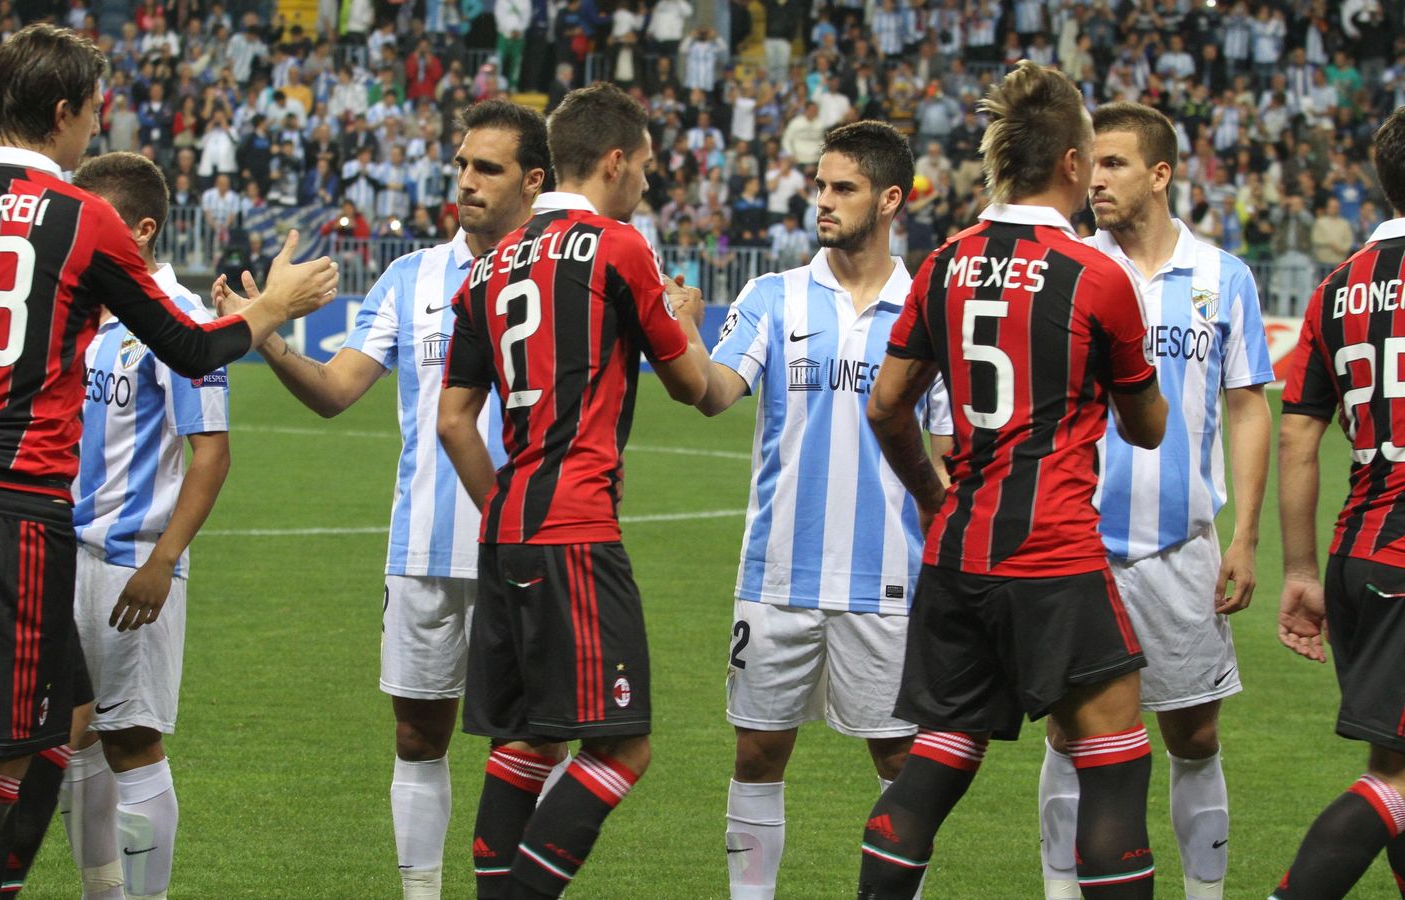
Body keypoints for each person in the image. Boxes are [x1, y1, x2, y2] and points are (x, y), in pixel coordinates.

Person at [0, 25, 338, 898]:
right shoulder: (82, 218)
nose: (93, 130)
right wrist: (272, 310)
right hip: (20, 508)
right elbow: (189, 345)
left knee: (60, 721)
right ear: (66, 112)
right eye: (93, 113)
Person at [213, 99, 552, 900]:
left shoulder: (559, 273)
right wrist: (265, 333)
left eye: (488, 169)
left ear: (534, 181)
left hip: (531, 544)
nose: (465, 182)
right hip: (426, 547)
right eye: (462, 164)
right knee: (416, 733)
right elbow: (336, 392)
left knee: (532, 740)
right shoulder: (410, 277)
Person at [861, 61, 1170, 900]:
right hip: (1054, 556)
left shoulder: (944, 263)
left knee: (935, 762)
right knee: (1114, 767)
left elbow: (887, 407)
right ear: (1072, 163)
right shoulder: (1094, 274)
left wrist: (933, 494)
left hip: (959, 552)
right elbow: (1149, 428)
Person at [437, 82, 712, 899]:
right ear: (617, 161)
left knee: (525, 742)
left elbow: (455, 420)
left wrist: (503, 508)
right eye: (648, 169)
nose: (647, 185)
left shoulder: (484, 270)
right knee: (623, 748)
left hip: (507, 528)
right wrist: (685, 320)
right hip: (576, 527)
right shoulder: (618, 247)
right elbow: (694, 386)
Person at [696, 120, 953, 900]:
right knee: (756, 754)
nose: (824, 202)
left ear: (891, 198)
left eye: (843, 188)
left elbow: (948, 452)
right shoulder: (772, 296)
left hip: (891, 580)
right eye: (820, 186)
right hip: (778, 574)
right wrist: (679, 334)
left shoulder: (929, 304)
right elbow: (713, 393)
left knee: (902, 762)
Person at [1036, 102, 1274, 900]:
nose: (1093, 178)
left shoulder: (1223, 277)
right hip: (1075, 545)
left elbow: (1247, 405)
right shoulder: (1066, 266)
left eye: (1114, 164)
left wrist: (1243, 537)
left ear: (1161, 174)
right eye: (1090, 163)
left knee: (1196, 734)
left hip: (1181, 546)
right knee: (1071, 735)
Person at [30, 151, 232, 900]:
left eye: (96, 221)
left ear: (142, 230)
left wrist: (165, 558)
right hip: (64, 551)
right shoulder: (82, 310)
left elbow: (211, 454)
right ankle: (102, 893)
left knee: (131, 742)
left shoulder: (178, 319)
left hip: (134, 562)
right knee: (70, 736)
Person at [1272, 104, 1405, 899]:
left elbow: (1298, 441)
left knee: (1393, 762)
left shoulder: (1334, 290)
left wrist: (1299, 569)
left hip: (1356, 553)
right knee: (1396, 783)